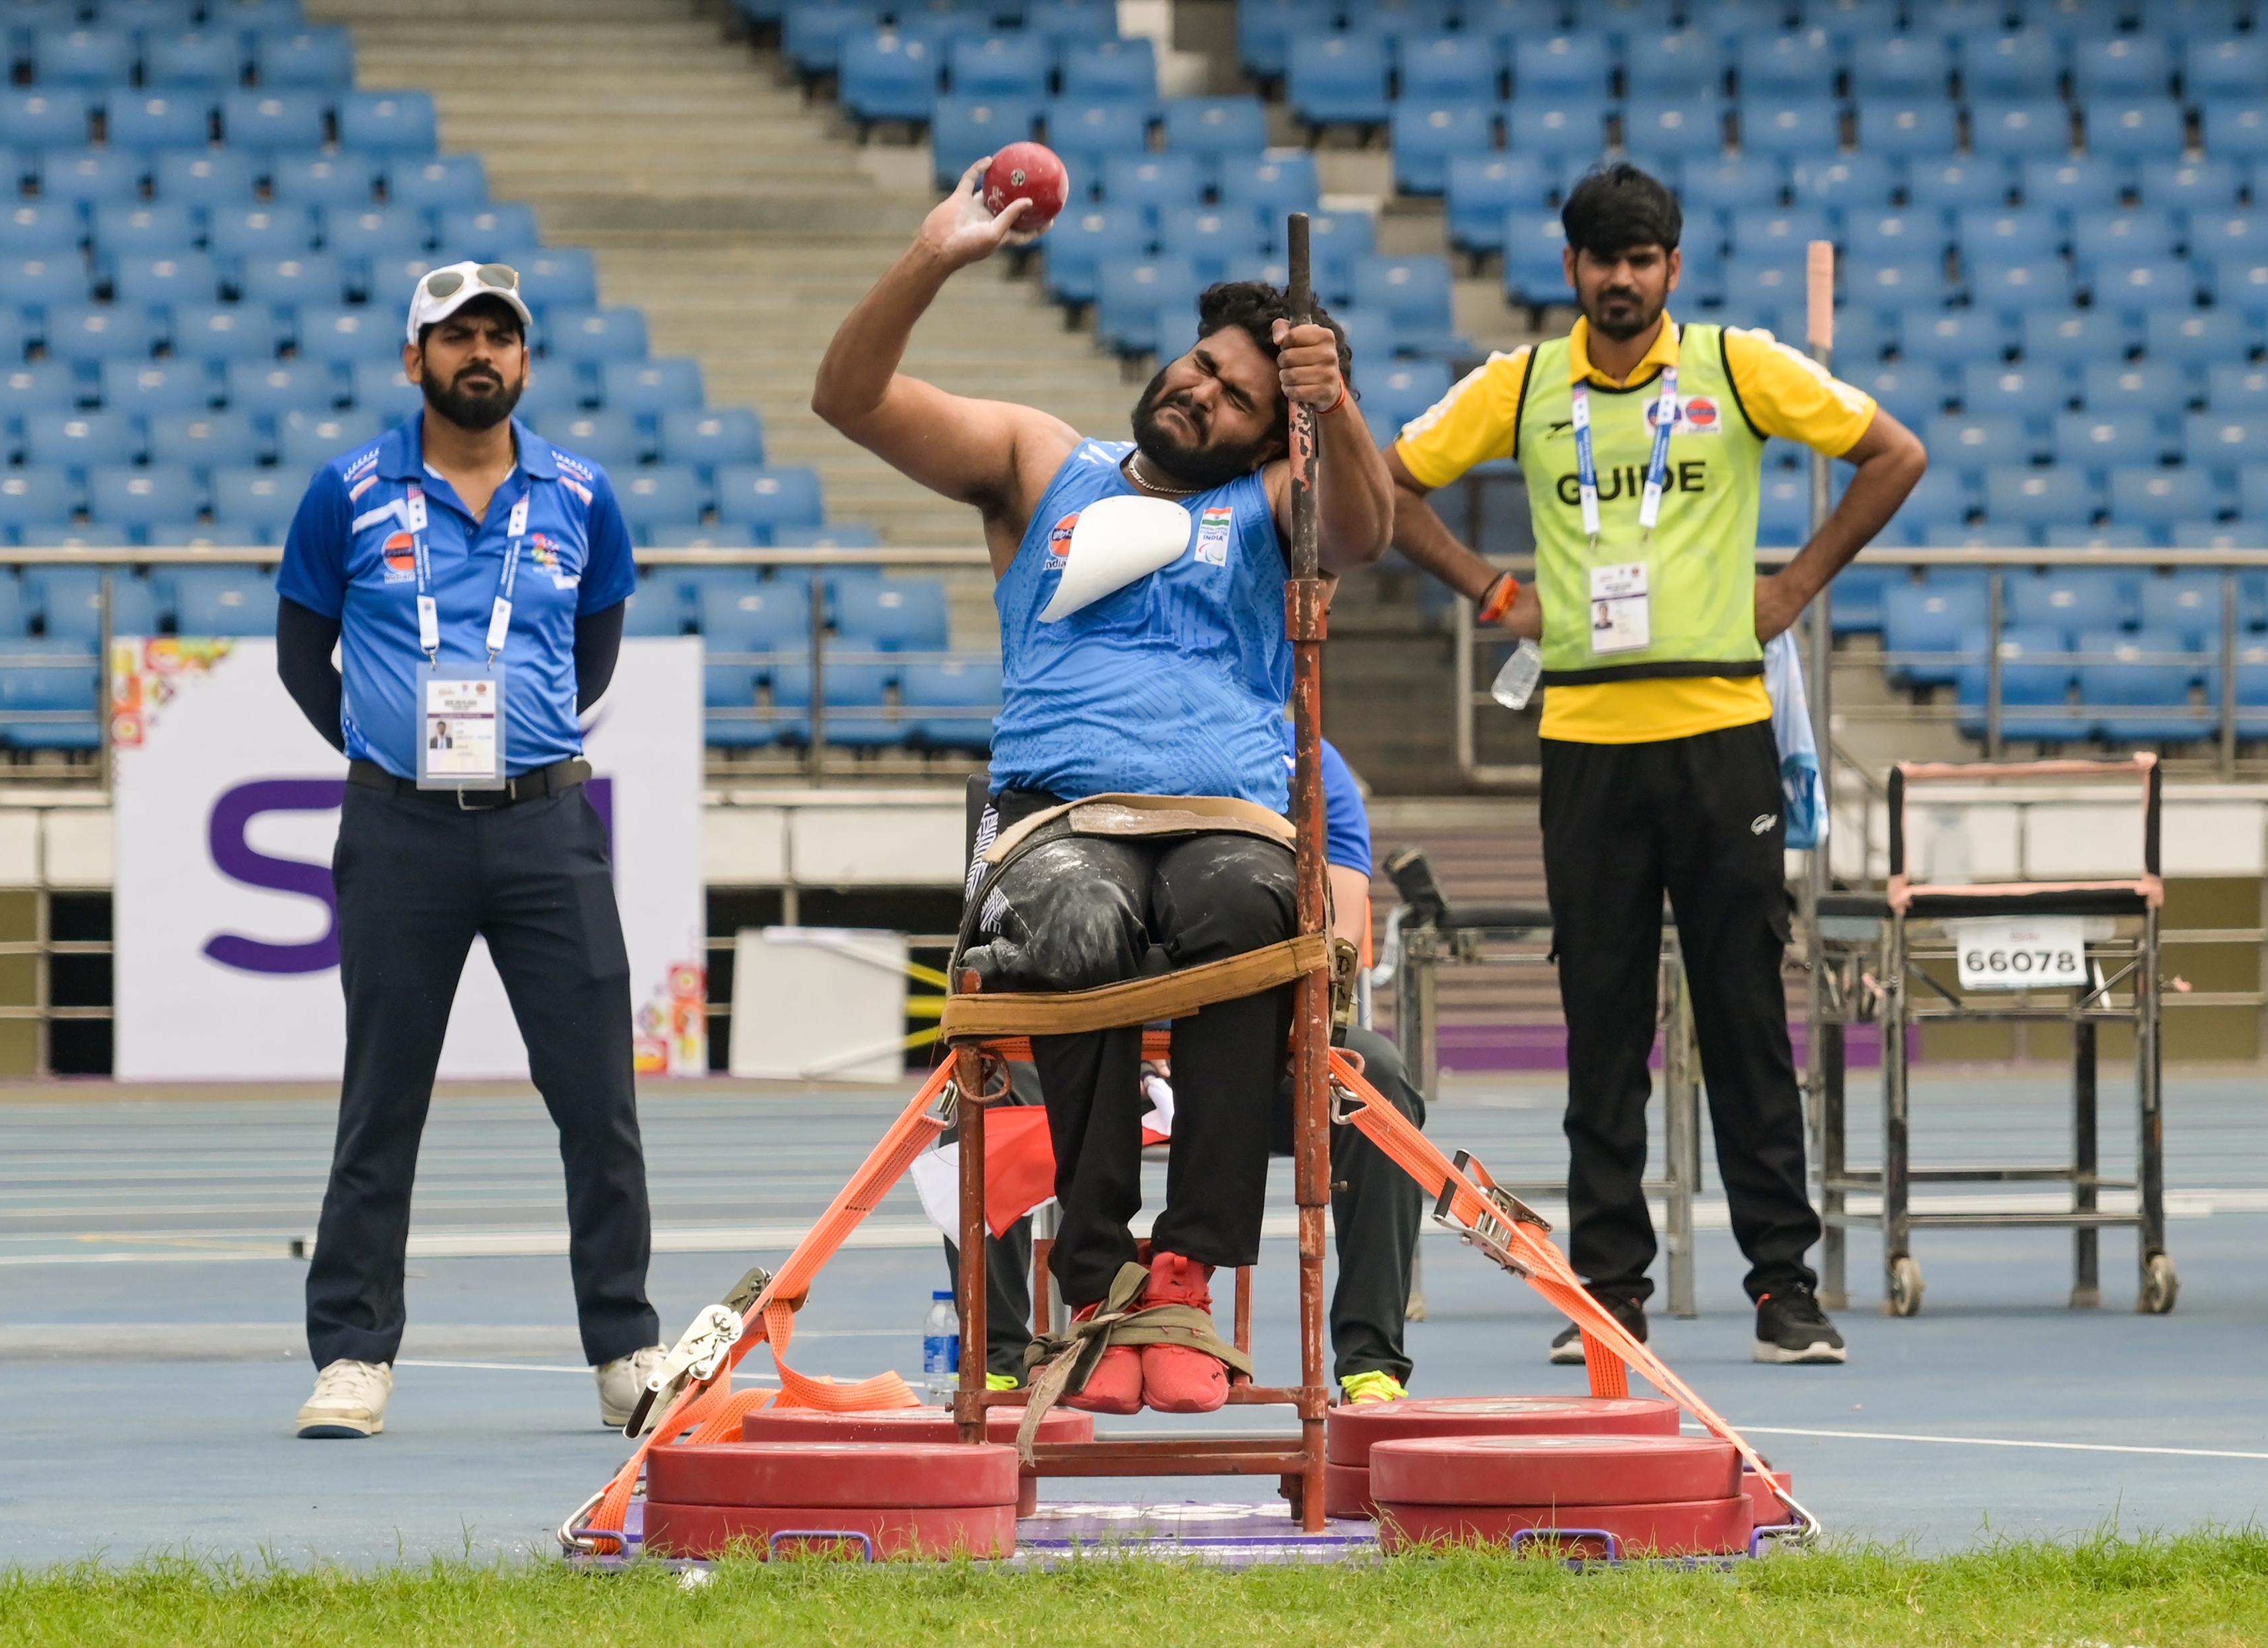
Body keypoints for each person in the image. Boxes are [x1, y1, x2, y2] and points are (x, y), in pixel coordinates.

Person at [816, 161, 1393, 1414]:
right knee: (1076, 926)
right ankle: (1095, 1277)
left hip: (1225, 817)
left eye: (1241, 394)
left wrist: (1330, 409)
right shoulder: (1042, 461)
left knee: (1255, 915)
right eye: (1201, 365)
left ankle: (1182, 1270)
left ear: (1264, 429)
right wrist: (931, 259)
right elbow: (847, 398)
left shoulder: (1272, 497)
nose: (1204, 390)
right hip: (1056, 817)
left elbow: (1360, 532)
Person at [1383, 164, 1928, 1367]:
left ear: (1673, 269)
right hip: (1586, 739)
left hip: (1720, 732)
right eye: (1600, 258)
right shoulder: (1523, 385)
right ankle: (1610, 1292)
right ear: (1569, 268)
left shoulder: (1738, 368)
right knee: (1602, 1027)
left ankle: (1784, 1287)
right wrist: (1489, 588)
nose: (1621, 279)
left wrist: (1792, 587)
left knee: (1743, 1016)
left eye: (1642, 258)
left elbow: (1897, 453)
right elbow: (1389, 484)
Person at [274, 261, 667, 1438]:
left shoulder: (584, 495)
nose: (478, 354)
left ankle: (625, 1350)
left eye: (499, 336)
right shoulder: (344, 494)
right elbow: (306, 659)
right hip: (399, 828)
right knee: (381, 1101)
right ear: (415, 361)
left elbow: (593, 655)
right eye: (455, 338)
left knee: (596, 1099)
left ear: (527, 362)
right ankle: (352, 1356)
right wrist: (386, 750)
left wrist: (521, 744)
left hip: (547, 823)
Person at [950, 739, 1430, 1406]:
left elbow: (1335, 941)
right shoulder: (1068, 746)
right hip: (1091, 1044)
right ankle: (997, 1361)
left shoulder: (1306, 765)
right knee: (983, 1084)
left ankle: (1371, 1365)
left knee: (1374, 1076)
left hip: (1242, 1048)